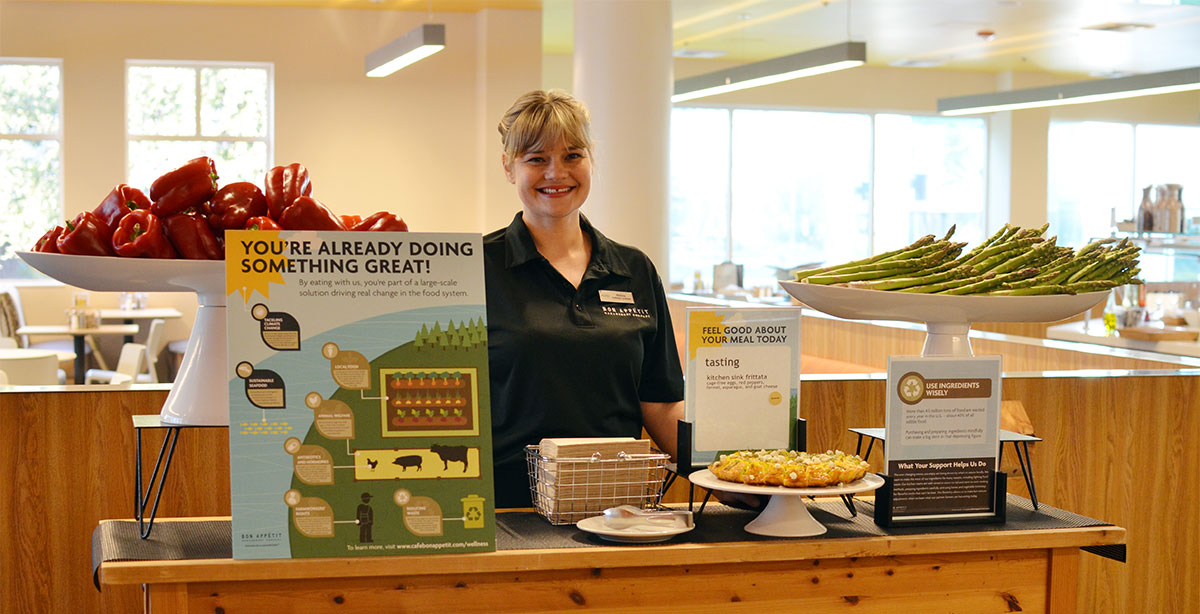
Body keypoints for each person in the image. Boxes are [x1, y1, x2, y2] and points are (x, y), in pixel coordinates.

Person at [484, 89, 684, 509]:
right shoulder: (478, 267)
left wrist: (730, 480)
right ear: (508, 167)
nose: (556, 173)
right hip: (506, 512)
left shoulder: (634, 269)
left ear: (591, 159)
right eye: (536, 159)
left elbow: (661, 403)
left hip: (620, 510)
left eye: (572, 155)